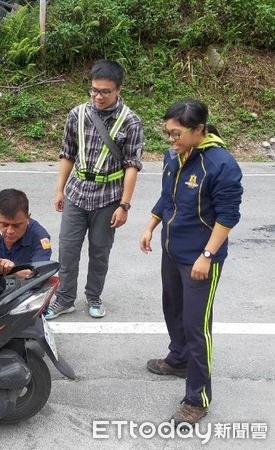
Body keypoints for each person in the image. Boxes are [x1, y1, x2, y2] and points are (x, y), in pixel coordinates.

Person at [139, 99, 243, 426]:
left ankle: (197, 398)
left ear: (199, 130)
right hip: (173, 251)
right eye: (168, 133)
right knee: (173, 308)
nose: (171, 140)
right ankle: (178, 359)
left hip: (201, 259)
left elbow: (228, 217)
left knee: (198, 328)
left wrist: (207, 256)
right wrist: (151, 226)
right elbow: (167, 196)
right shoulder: (176, 157)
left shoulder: (221, 164)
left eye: (177, 134)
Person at [45, 60, 143, 320]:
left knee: (100, 251)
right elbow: (67, 154)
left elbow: (132, 165)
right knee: (67, 249)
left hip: (108, 198)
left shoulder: (130, 122)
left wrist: (124, 205)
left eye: (105, 92)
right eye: (94, 90)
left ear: (118, 89)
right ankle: (64, 298)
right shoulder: (77, 114)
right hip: (76, 193)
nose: (98, 96)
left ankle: (93, 296)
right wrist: (59, 190)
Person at [0, 189, 52, 280]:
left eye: (16, 225)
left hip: (25, 290)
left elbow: (39, 274)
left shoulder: (40, 238)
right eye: (4, 224)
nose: (10, 231)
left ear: (28, 218)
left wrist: (14, 270)